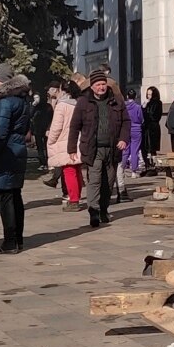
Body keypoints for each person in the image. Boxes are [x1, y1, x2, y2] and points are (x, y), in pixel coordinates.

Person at [0, 63, 34, 253]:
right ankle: (17, 239)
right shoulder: (21, 101)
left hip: (5, 153)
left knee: (5, 197)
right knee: (15, 195)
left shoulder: (4, 103)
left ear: (3, 82)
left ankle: (10, 241)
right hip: (17, 150)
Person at [69, 70, 128, 229]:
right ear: (92, 87)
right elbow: (75, 126)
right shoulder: (83, 102)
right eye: (98, 85)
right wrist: (71, 148)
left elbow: (126, 122)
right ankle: (93, 211)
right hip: (92, 148)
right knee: (94, 180)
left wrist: (123, 139)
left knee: (108, 183)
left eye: (103, 84)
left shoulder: (116, 101)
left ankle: (103, 209)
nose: (101, 87)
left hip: (112, 148)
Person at [46, 82, 84, 210]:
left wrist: (50, 140)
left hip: (64, 141)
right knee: (77, 170)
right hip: (79, 139)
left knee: (69, 171)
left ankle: (74, 200)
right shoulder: (80, 103)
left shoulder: (62, 106)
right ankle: (76, 197)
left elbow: (56, 127)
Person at [117, 81, 143, 203]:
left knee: (125, 149)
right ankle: (134, 170)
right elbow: (141, 118)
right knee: (135, 150)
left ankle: (122, 167)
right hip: (137, 129)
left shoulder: (124, 106)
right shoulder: (138, 107)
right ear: (135, 96)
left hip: (126, 129)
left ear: (127, 96)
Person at [141, 87, 164, 171]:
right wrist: (144, 106)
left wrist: (146, 112)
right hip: (146, 127)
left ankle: (153, 164)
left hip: (153, 127)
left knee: (152, 147)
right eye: (147, 94)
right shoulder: (147, 103)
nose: (149, 96)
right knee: (145, 147)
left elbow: (154, 116)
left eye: (150, 94)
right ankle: (148, 164)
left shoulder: (158, 103)